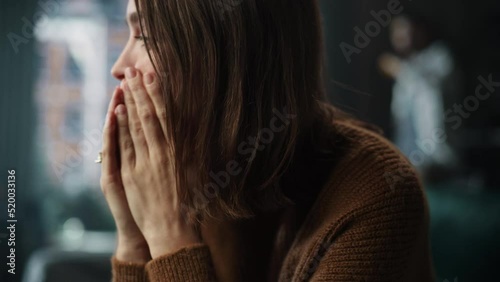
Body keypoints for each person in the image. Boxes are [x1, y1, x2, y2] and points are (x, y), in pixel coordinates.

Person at [100, 1, 435, 281]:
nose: (119, 66)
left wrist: (168, 233)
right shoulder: (195, 169)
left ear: (230, 50)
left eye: (145, 36)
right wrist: (134, 241)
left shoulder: (377, 193)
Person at [378, 14, 461, 180]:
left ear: (419, 32)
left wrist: (399, 69)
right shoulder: (403, 68)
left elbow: (427, 86)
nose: (401, 38)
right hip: (409, 162)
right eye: (397, 34)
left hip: (440, 164)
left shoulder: (440, 57)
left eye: (406, 32)